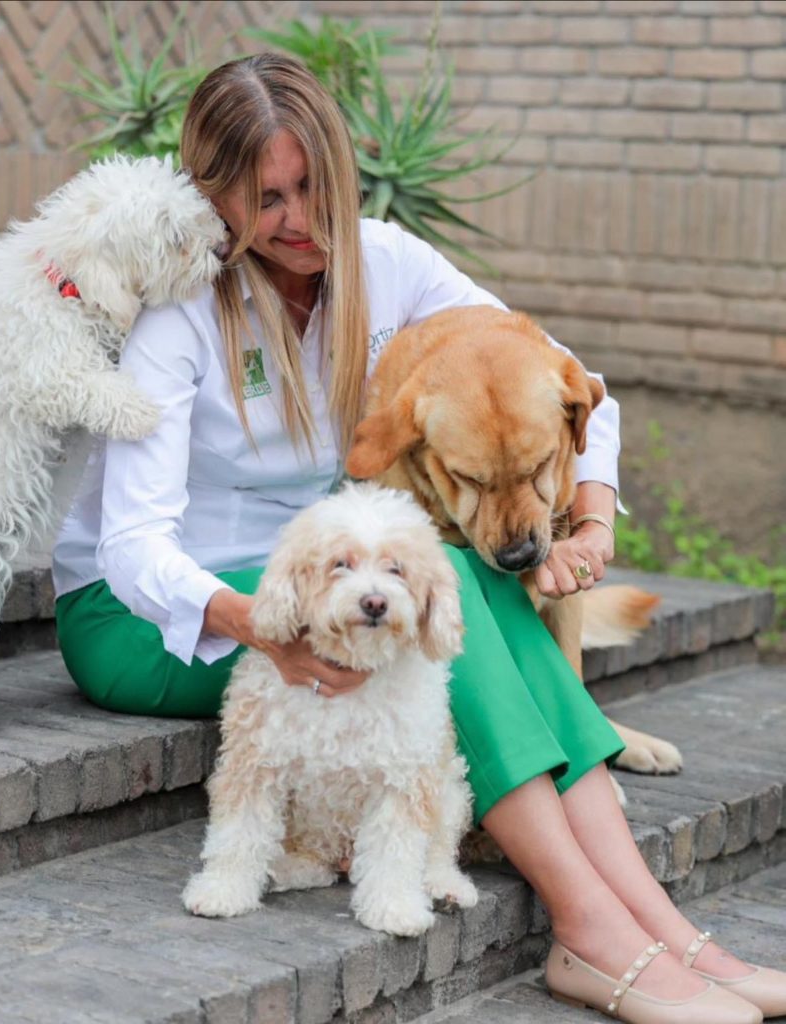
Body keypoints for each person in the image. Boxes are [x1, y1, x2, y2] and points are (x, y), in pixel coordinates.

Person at [52, 54, 784, 1023]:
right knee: (455, 603)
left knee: (458, 587)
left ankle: (656, 925)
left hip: (336, 590)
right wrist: (265, 625)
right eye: (263, 196)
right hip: (155, 617)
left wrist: (593, 517)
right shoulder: (185, 311)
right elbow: (131, 546)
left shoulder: (384, 262)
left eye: (310, 183)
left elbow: (569, 379)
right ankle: (589, 929)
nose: (295, 218)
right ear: (217, 194)